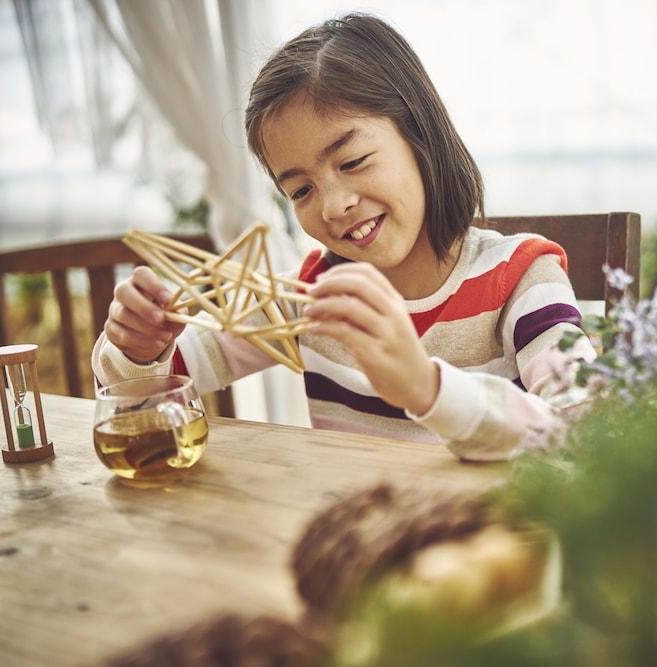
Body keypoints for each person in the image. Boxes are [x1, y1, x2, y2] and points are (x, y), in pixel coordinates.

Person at [92, 12, 596, 461]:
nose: (334, 206)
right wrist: (138, 349)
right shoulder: (307, 298)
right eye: (302, 190)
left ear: (420, 134)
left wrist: (426, 387)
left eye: (352, 162)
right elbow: (135, 395)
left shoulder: (521, 278)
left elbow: (590, 433)